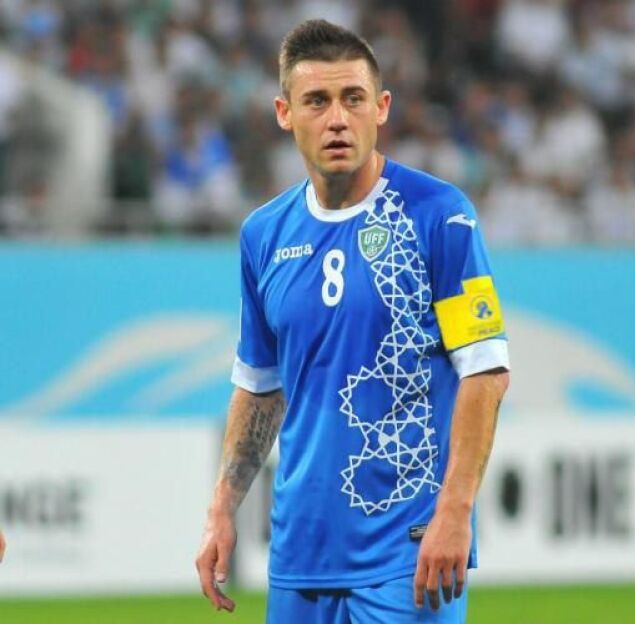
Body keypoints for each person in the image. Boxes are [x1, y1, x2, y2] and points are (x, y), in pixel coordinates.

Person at [194, 20, 510, 624]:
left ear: (381, 108)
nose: (337, 119)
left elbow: (486, 373)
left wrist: (455, 510)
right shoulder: (264, 234)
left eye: (353, 99)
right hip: (300, 552)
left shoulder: (440, 215)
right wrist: (221, 509)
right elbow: (259, 388)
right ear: (285, 113)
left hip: (408, 551)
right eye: (317, 101)